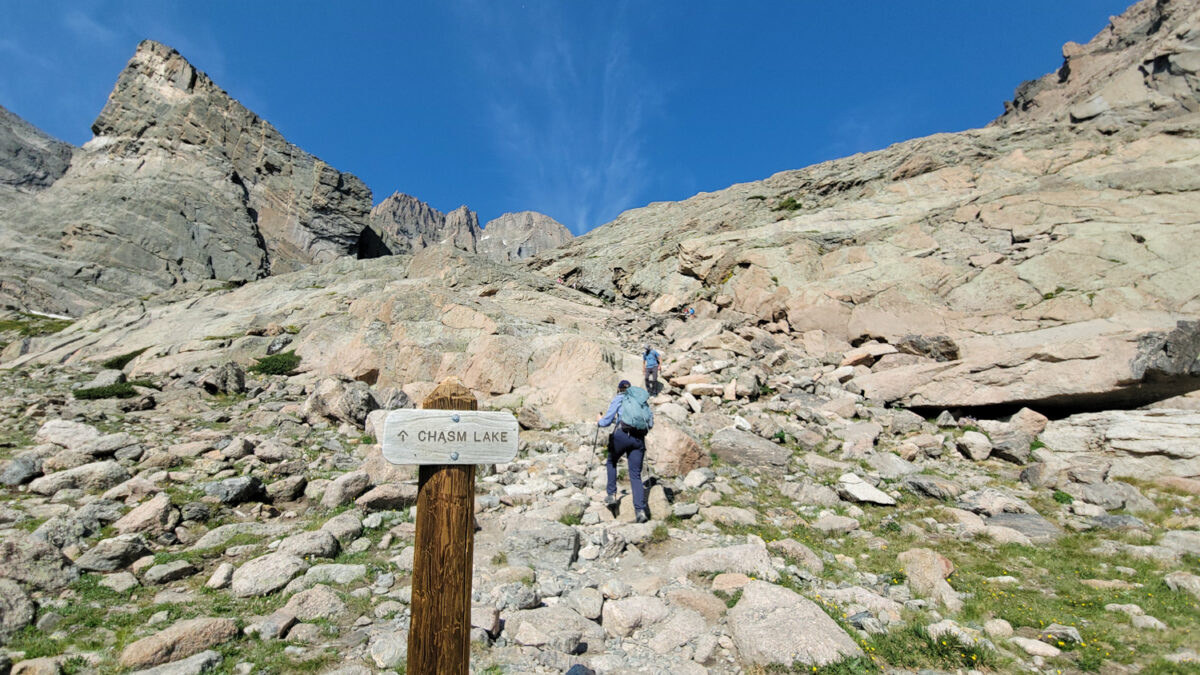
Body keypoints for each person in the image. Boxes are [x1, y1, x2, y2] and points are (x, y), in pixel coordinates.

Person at [597, 379, 653, 523]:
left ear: (619, 389)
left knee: (612, 461)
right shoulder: (640, 400)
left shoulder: (619, 398)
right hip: (638, 439)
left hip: (622, 435)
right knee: (635, 475)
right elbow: (650, 422)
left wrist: (599, 420)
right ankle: (640, 511)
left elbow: (607, 421)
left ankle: (611, 494)